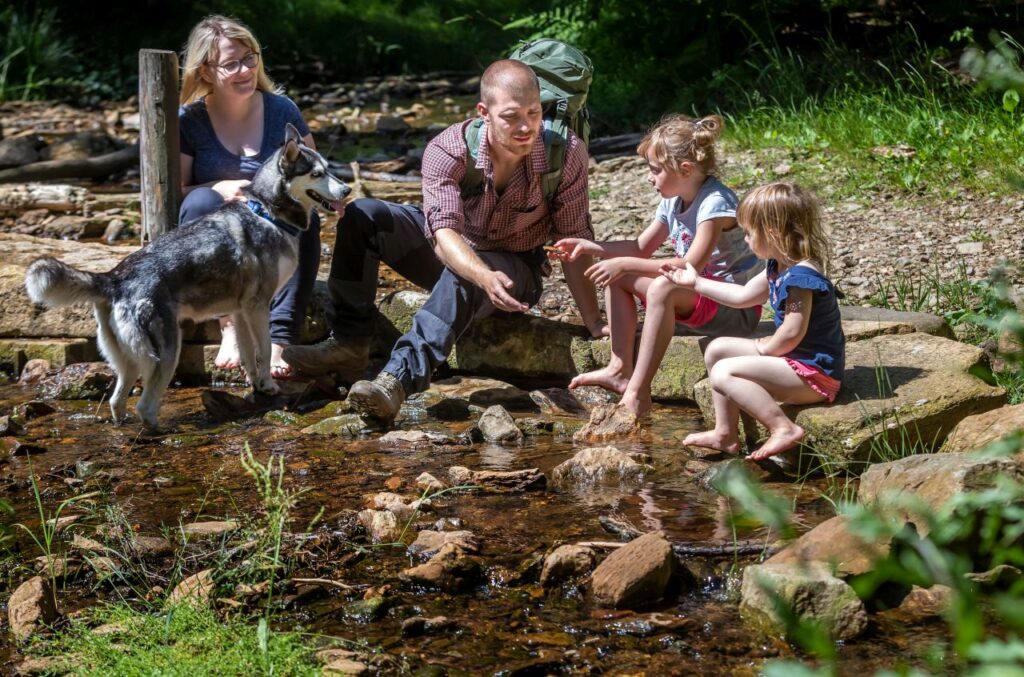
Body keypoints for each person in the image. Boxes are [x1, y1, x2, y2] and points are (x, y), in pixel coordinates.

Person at [284, 59, 604, 422]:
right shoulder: (448, 149)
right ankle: (349, 344)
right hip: (455, 248)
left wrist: (593, 321)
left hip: (517, 269)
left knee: (464, 271)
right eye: (511, 116)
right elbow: (443, 234)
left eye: (534, 113)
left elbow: (573, 242)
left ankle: (397, 380)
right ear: (483, 112)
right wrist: (481, 274)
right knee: (362, 216)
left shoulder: (565, 151)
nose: (526, 127)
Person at [552, 114, 762, 416]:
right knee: (619, 274)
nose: (649, 177)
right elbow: (641, 247)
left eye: (655, 170)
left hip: (734, 307)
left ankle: (638, 392)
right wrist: (591, 247)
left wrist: (626, 263)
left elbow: (690, 265)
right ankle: (619, 368)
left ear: (685, 169)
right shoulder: (672, 200)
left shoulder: (714, 203)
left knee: (660, 285)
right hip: (700, 296)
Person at [177, 15, 321, 378]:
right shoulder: (188, 120)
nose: (245, 70)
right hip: (218, 230)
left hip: (272, 230)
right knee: (199, 203)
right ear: (206, 71)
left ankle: (277, 340)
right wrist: (218, 187)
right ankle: (228, 325)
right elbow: (177, 192)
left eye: (250, 58)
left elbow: (313, 181)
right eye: (231, 64)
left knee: (305, 215)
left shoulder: (283, 110)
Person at [661, 182, 844, 461]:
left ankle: (783, 428)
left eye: (748, 233)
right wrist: (696, 283)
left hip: (813, 374)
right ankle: (725, 434)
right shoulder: (777, 265)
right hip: (795, 362)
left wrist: (763, 348)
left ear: (771, 232)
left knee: (724, 372)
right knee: (716, 349)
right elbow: (744, 296)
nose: (745, 240)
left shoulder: (800, 278)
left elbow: (792, 332)